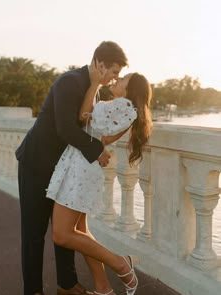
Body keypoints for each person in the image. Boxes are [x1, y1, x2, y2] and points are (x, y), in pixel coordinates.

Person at [15, 41, 128, 295]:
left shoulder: (94, 90)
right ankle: (32, 290)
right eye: (113, 72)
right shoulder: (69, 82)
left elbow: (87, 125)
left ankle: (66, 284)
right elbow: (65, 128)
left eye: (117, 75)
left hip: (61, 170)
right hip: (36, 164)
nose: (113, 79)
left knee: (64, 230)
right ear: (99, 63)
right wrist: (96, 150)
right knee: (34, 233)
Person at [46, 63, 153, 295]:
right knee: (81, 230)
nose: (118, 79)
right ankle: (104, 288)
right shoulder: (122, 107)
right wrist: (94, 89)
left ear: (130, 89)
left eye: (123, 78)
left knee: (62, 234)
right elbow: (92, 127)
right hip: (81, 165)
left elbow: (84, 119)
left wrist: (95, 83)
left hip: (81, 169)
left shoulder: (124, 107)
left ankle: (121, 264)